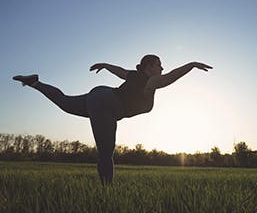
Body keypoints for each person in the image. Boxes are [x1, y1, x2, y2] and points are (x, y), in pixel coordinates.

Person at [13, 55, 212, 185]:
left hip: (99, 96)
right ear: (148, 67)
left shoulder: (133, 75)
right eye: (158, 65)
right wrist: (191, 65)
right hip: (107, 103)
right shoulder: (150, 80)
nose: (162, 68)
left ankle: (34, 82)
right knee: (106, 152)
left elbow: (120, 71)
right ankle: (107, 193)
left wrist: (106, 65)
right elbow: (170, 77)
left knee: (64, 102)